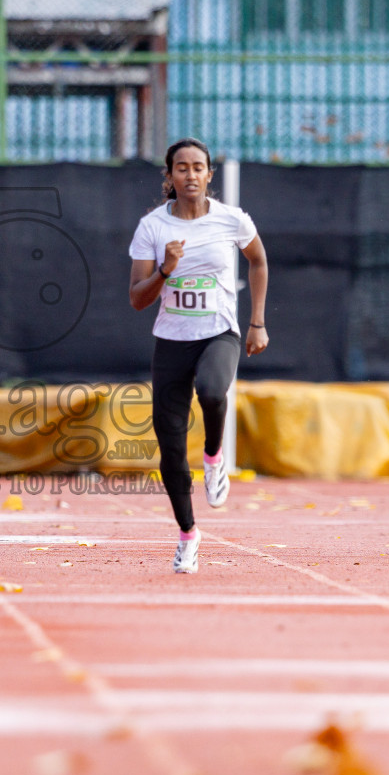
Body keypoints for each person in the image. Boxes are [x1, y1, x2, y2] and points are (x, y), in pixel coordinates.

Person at [129, 138, 268, 574]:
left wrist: (258, 322)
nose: (190, 175)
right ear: (169, 177)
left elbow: (259, 261)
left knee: (212, 391)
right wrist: (166, 270)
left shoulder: (231, 220)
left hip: (218, 333)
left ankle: (213, 457)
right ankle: (188, 535)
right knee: (169, 449)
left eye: (198, 167)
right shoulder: (152, 227)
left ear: (210, 175)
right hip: (171, 341)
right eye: (182, 168)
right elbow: (137, 298)